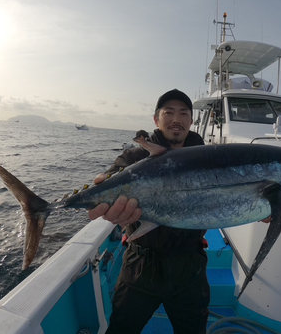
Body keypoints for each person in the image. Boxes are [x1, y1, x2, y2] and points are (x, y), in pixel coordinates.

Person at [88, 89, 210, 334]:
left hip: (190, 269)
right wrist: (103, 185)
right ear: (156, 119)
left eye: (183, 113)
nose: (177, 119)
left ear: (191, 120)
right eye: (169, 112)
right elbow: (114, 174)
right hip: (140, 268)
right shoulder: (137, 156)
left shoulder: (207, 158)